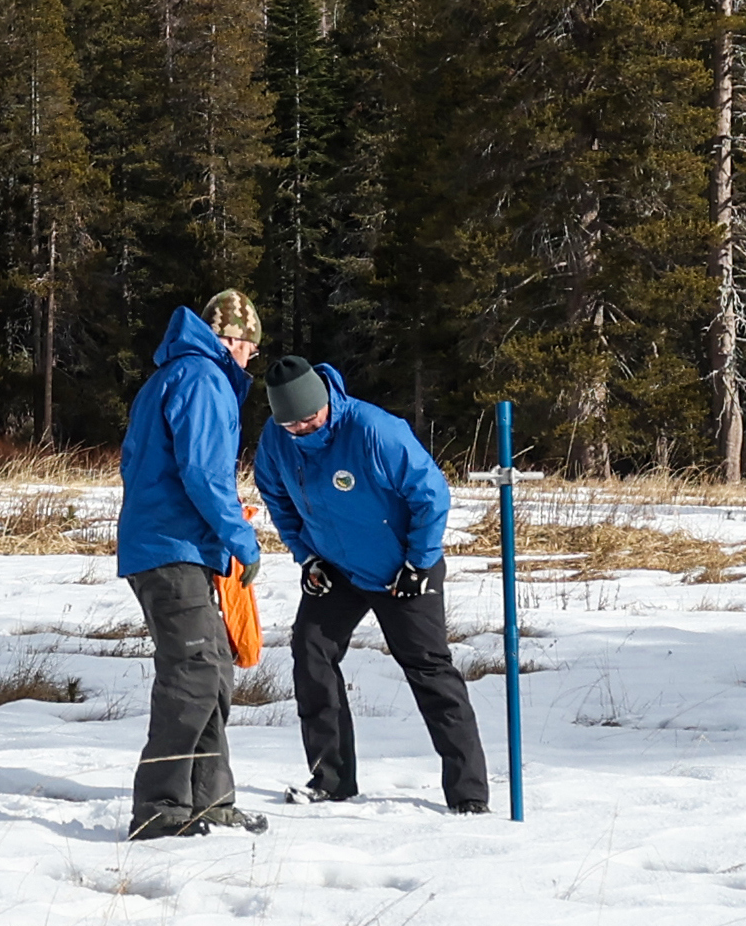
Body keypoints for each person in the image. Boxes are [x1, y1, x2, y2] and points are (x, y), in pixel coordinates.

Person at [254, 359, 486, 813]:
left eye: (308, 419)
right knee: (311, 650)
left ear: (325, 402)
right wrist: (307, 555)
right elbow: (276, 495)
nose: (300, 429)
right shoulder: (276, 438)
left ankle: (468, 794)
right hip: (337, 566)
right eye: (290, 423)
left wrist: (418, 562)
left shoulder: (375, 430)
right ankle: (332, 778)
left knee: (429, 670)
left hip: (401, 566)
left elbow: (431, 494)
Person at [110, 288, 269, 839]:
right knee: (196, 669)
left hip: (173, 546)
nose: (250, 360)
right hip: (170, 547)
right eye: (251, 349)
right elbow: (205, 474)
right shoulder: (202, 379)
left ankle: (210, 801)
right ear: (235, 340)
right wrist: (241, 539)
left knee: (213, 666)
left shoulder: (171, 376)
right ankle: (159, 807)